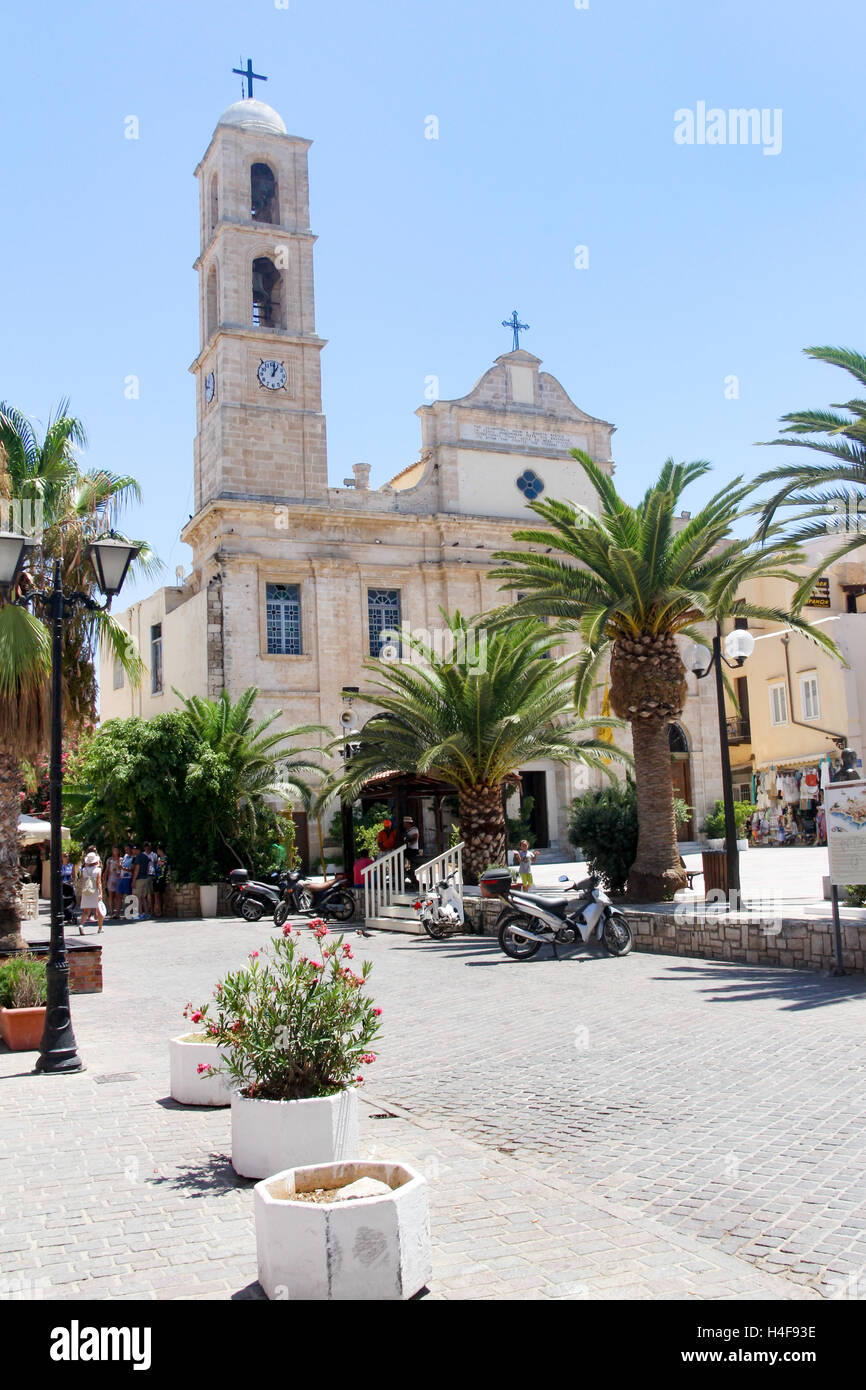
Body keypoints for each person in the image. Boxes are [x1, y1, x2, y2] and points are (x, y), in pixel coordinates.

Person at [78, 848, 104, 934]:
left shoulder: (84, 870)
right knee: (99, 910)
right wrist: (100, 893)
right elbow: (99, 883)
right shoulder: (98, 870)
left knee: (86, 911)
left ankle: (81, 924)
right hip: (95, 890)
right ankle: (100, 928)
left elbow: (82, 880)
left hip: (86, 890)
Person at [130, 842, 152, 920]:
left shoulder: (138, 857)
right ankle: (146, 913)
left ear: (137, 850)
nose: (132, 851)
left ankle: (139, 914)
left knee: (138, 897)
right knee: (143, 897)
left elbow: (137, 869)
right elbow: (148, 868)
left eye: (134, 849)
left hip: (139, 879)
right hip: (145, 878)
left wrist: (133, 880)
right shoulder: (145, 857)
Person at [104, 845, 122, 920]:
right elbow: (107, 870)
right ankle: (111, 912)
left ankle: (117, 913)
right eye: (114, 850)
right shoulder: (109, 860)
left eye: (116, 850)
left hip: (118, 878)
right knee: (111, 896)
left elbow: (121, 868)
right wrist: (105, 879)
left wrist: (118, 864)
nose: (115, 852)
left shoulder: (120, 859)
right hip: (111, 878)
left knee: (118, 896)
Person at [117, 843, 134, 914]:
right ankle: (117, 912)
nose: (126, 851)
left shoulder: (133, 857)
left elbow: (132, 869)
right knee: (119, 894)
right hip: (122, 877)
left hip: (128, 877)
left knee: (129, 895)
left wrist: (123, 868)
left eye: (127, 849)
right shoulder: (125, 856)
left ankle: (131, 912)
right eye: (125, 849)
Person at [152, 848, 169, 918]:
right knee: (156, 895)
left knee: (160, 896)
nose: (157, 851)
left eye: (158, 850)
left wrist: (168, 878)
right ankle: (157, 911)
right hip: (156, 878)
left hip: (162, 878)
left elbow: (168, 868)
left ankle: (160, 911)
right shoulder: (158, 859)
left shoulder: (166, 858)